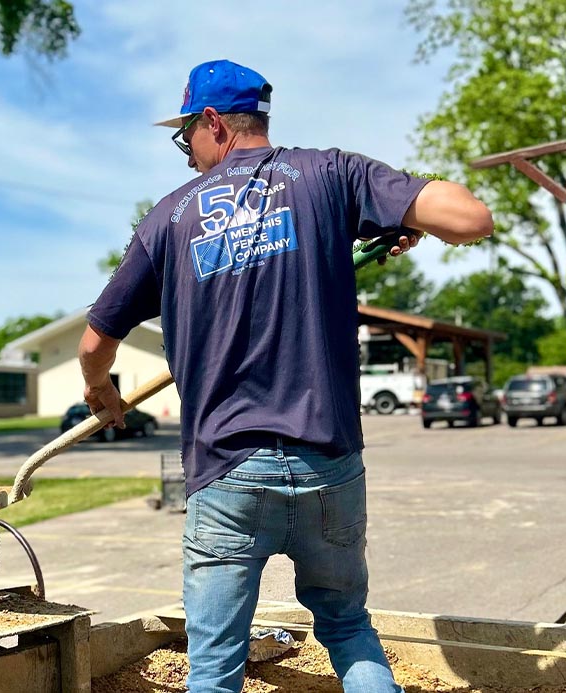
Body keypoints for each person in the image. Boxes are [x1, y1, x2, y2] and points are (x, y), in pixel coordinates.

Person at [78, 59, 493, 693]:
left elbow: (92, 343)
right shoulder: (331, 174)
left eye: (184, 134)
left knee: (215, 669)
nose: (185, 153)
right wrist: (405, 211)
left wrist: (101, 391)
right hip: (328, 463)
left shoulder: (167, 219)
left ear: (213, 123)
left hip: (225, 475)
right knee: (349, 627)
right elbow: (471, 219)